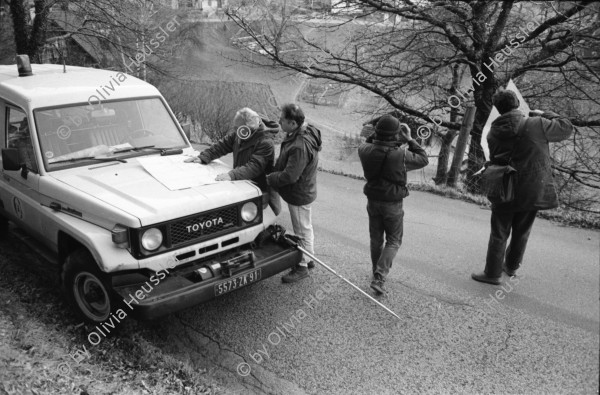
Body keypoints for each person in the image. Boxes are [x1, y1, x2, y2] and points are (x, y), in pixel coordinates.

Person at [471, 90, 573, 285]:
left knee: (499, 231)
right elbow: (566, 128)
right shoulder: (537, 124)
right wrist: (545, 114)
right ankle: (510, 267)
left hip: (504, 186)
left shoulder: (493, 131)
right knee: (522, 230)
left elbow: (495, 159)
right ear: (517, 103)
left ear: (498, 109)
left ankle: (492, 274)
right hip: (532, 188)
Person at [358, 114, 429, 295]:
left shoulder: (364, 150)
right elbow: (423, 159)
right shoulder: (402, 155)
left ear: (377, 132)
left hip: (372, 201)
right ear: (396, 135)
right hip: (393, 204)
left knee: (376, 239)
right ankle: (379, 277)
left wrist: (372, 135)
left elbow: (369, 142)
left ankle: (376, 270)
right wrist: (410, 138)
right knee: (394, 240)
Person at [186, 107, 281, 214]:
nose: (235, 130)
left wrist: (232, 175)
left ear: (247, 128)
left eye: (237, 128)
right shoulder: (240, 133)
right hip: (242, 182)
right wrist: (203, 157)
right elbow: (222, 145)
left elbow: (254, 167)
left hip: (260, 188)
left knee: (265, 217)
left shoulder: (265, 142)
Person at [266, 104, 322, 283]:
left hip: (298, 193)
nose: (279, 121)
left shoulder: (300, 145)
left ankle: (302, 266)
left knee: (301, 229)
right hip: (304, 189)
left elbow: (290, 176)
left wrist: (271, 178)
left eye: (282, 119)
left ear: (292, 123)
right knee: (306, 226)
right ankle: (309, 257)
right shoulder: (304, 131)